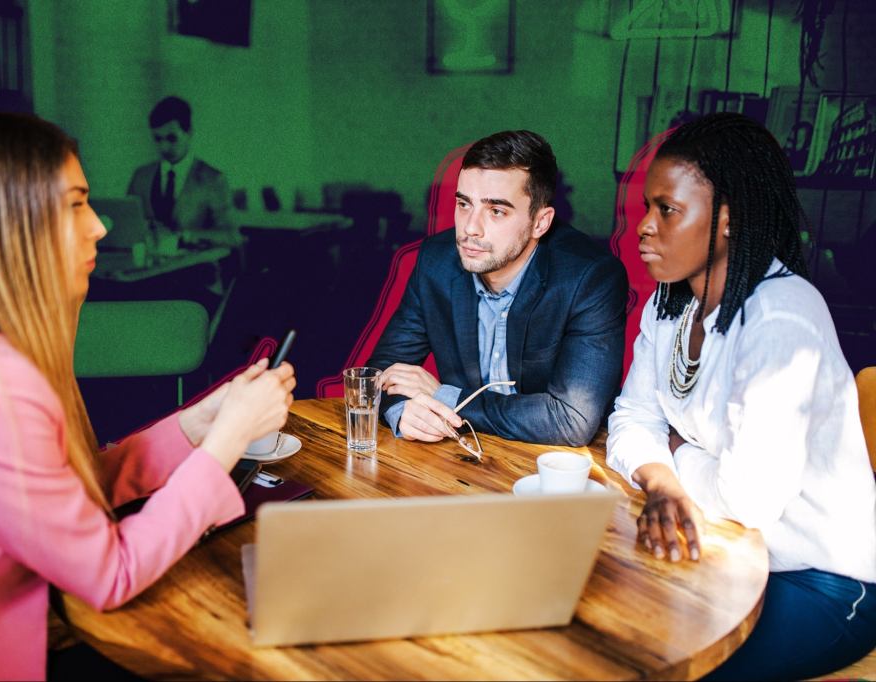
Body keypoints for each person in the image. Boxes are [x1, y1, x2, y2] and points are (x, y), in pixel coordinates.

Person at [0, 111, 295, 680]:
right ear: (5, 227)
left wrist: (196, 425)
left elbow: (60, 493)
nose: (100, 227)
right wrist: (229, 439)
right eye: (75, 205)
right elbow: (109, 574)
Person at [605, 112, 876, 680]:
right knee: (599, 626)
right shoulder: (669, 304)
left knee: (660, 664)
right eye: (647, 207)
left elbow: (747, 498)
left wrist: (674, 449)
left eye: (667, 210)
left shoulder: (782, 315)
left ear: (728, 218)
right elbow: (630, 417)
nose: (644, 227)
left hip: (820, 578)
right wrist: (663, 483)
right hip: (721, 547)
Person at [367, 130, 628, 446]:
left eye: (496, 211)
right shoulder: (437, 262)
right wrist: (402, 412)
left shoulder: (590, 278)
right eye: (464, 204)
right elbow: (380, 374)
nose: (470, 228)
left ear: (540, 222)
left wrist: (444, 396)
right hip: (459, 451)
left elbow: (570, 419)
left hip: (550, 462)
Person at [127, 95, 241, 250]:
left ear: (189, 133)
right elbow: (128, 224)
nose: (164, 147)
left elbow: (231, 236)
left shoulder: (213, 180)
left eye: (172, 138)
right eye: (158, 139)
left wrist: (186, 236)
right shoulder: (141, 176)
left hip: (195, 264)